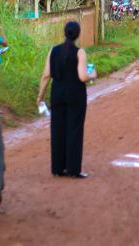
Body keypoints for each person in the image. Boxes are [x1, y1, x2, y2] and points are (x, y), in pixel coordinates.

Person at [36, 21, 97, 179]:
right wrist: (93, 75)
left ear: (64, 33)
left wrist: (40, 96)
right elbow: (82, 76)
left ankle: (57, 168)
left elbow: (46, 75)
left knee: (57, 130)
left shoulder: (53, 51)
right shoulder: (80, 52)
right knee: (74, 130)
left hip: (57, 93)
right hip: (75, 94)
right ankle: (73, 170)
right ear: (78, 34)